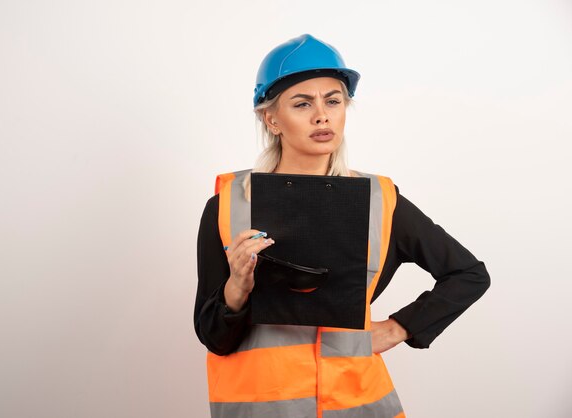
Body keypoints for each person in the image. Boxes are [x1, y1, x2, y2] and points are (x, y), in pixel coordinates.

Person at [194, 34, 490, 418]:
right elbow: (214, 337)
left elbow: (468, 274)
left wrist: (399, 327)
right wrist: (237, 287)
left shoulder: (380, 201)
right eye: (302, 104)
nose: (322, 115)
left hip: (358, 404)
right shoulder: (228, 205)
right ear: (271, 118)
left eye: (333, 101)